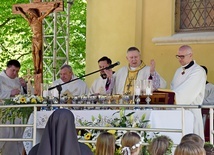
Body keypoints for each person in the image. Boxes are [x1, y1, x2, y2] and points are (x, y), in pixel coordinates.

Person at [171, 45, 206, 140]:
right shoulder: (178, 71)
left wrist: (173, 98)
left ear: (190, 55)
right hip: (177, 113)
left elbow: (186, 93)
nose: (179, 59)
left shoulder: (198, 71)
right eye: (178, 56)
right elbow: (173, 88)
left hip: (191, 112)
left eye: (182, 56)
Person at [16, 3, 60, 74]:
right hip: (33, 37)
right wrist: (20, 11)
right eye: (29, 14)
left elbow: (46, 14)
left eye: (30, 13)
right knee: (33, 52)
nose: (29, 15)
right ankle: (35, 67)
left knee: (37, 53)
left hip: (38, 38)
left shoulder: (39, 19)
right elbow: (24, 16)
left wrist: (53, 7)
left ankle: (37, 67)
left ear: (33, 13)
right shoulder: (30, 21)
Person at [0, 59, 27, 155]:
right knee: (5, 136)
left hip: (18, 113)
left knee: (17, 136)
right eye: (13, 70)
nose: (15, 73)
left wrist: (24, 86)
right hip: (4, 113)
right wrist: (10, 93)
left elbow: (24, 96)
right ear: (7, 68)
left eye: (17, 71)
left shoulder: (18, 80)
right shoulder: (0, 78)